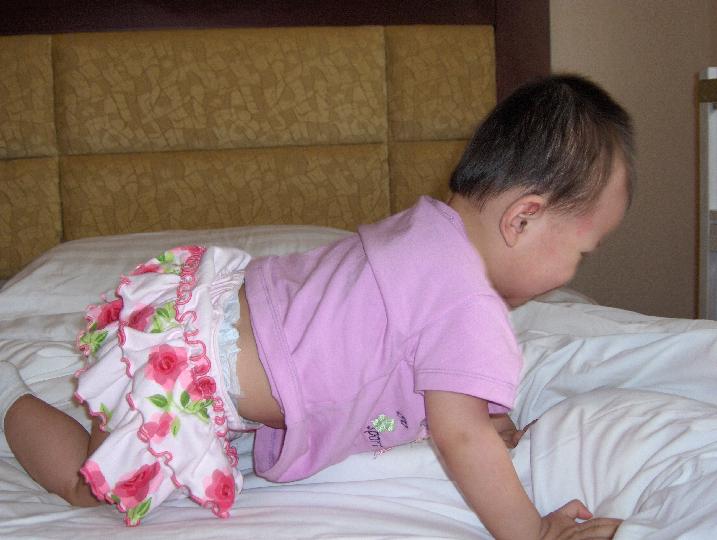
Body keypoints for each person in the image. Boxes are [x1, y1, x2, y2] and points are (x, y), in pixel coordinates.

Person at [0, 74, 633, 538]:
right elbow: (459, 432)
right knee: (90, 485)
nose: (571, 273)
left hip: (195, 316)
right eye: (582, 252)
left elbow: (399, 353)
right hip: (184, 368)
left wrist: (483, 411)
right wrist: (533, 532)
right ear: (523, 219)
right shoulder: (470, 305)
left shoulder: (429, 230)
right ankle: (7, 393)